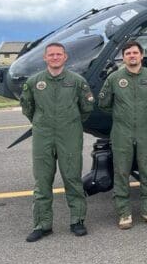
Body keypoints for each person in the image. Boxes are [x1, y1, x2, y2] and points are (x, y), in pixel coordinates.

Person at [20, 42, 94, 242]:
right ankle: (42, 225)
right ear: (45, 58)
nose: (54, 58)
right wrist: (41, 123)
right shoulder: (34, 82)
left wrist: (70, 122)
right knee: (42, 181)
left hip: (69, 135)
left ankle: (77, 221)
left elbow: (86, 108)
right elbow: (27, 108)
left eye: (58, 54)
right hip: (43, 136)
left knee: (72, 179)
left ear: (65, 57)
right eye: (51, 55)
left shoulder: (77, 81)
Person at [99, 40, 147, 229]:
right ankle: (124, 214)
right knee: (121, 173)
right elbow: (104, 103)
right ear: (123, 57)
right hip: (122, 133)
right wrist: (122, 116)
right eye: (128, 53)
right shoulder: (114, 78)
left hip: (146, 132)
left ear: (141, 55)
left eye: (135, 53)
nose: (132, 56)